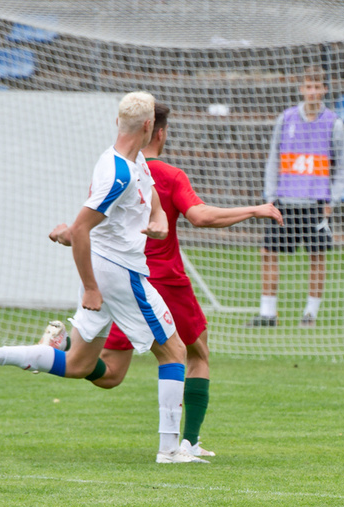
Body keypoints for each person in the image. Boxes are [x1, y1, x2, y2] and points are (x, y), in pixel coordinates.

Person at [0, 92, 203, 464]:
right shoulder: (118, 173)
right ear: (149, 127)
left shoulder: (134, 161)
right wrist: (92, 287)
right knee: (174, 351)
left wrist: (158, 223)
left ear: (118, 122)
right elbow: (83, 230)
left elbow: (150, 206)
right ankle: (170, 450)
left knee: (81, 364)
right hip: (120, 274)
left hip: (109, 267)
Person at [43, 101, 283, 460]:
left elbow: (94, 225)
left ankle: (59, 350)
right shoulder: (166, 175)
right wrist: (253, 209)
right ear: (159, 131)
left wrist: (67, 235)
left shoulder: (115, 165)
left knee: (108, 374)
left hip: (117, 282)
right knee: (195, 354)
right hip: (160, 282)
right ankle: (185, 444)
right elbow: (200, 216)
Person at [247, 64, 344, 327]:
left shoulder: (334, 123)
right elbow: (273, 160)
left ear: (324, 89)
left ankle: (309, 315)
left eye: (317, 86)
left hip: (315, 204)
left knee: (317, 257)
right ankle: (268, 314)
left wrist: (331, 202)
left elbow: (343, 169)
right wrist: (269, 196)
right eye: (308, 86)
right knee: (268, 252)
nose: (312, 91)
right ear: (301, 89)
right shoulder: (286, 118)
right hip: (284, 201)